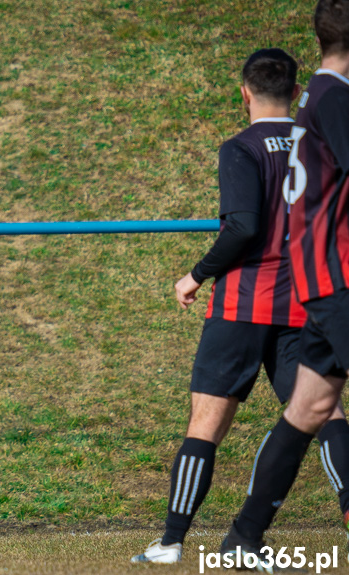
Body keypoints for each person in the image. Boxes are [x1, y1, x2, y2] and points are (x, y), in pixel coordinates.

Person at [132, 47, 349, 565]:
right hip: (305, 302)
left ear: (244, 93)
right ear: (297, 93)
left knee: (206, 423)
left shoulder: (240, 147)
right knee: (327, 414)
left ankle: (170, 543)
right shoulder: (321, 143)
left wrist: (195, 275)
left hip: (242, 305)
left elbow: (243, 227)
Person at [221, 1, 349, 566]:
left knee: (310, 407)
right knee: (311, 408)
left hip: (321, 281)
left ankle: (243, 536)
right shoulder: (335, 98)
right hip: (340, 279)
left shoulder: (316, 99)